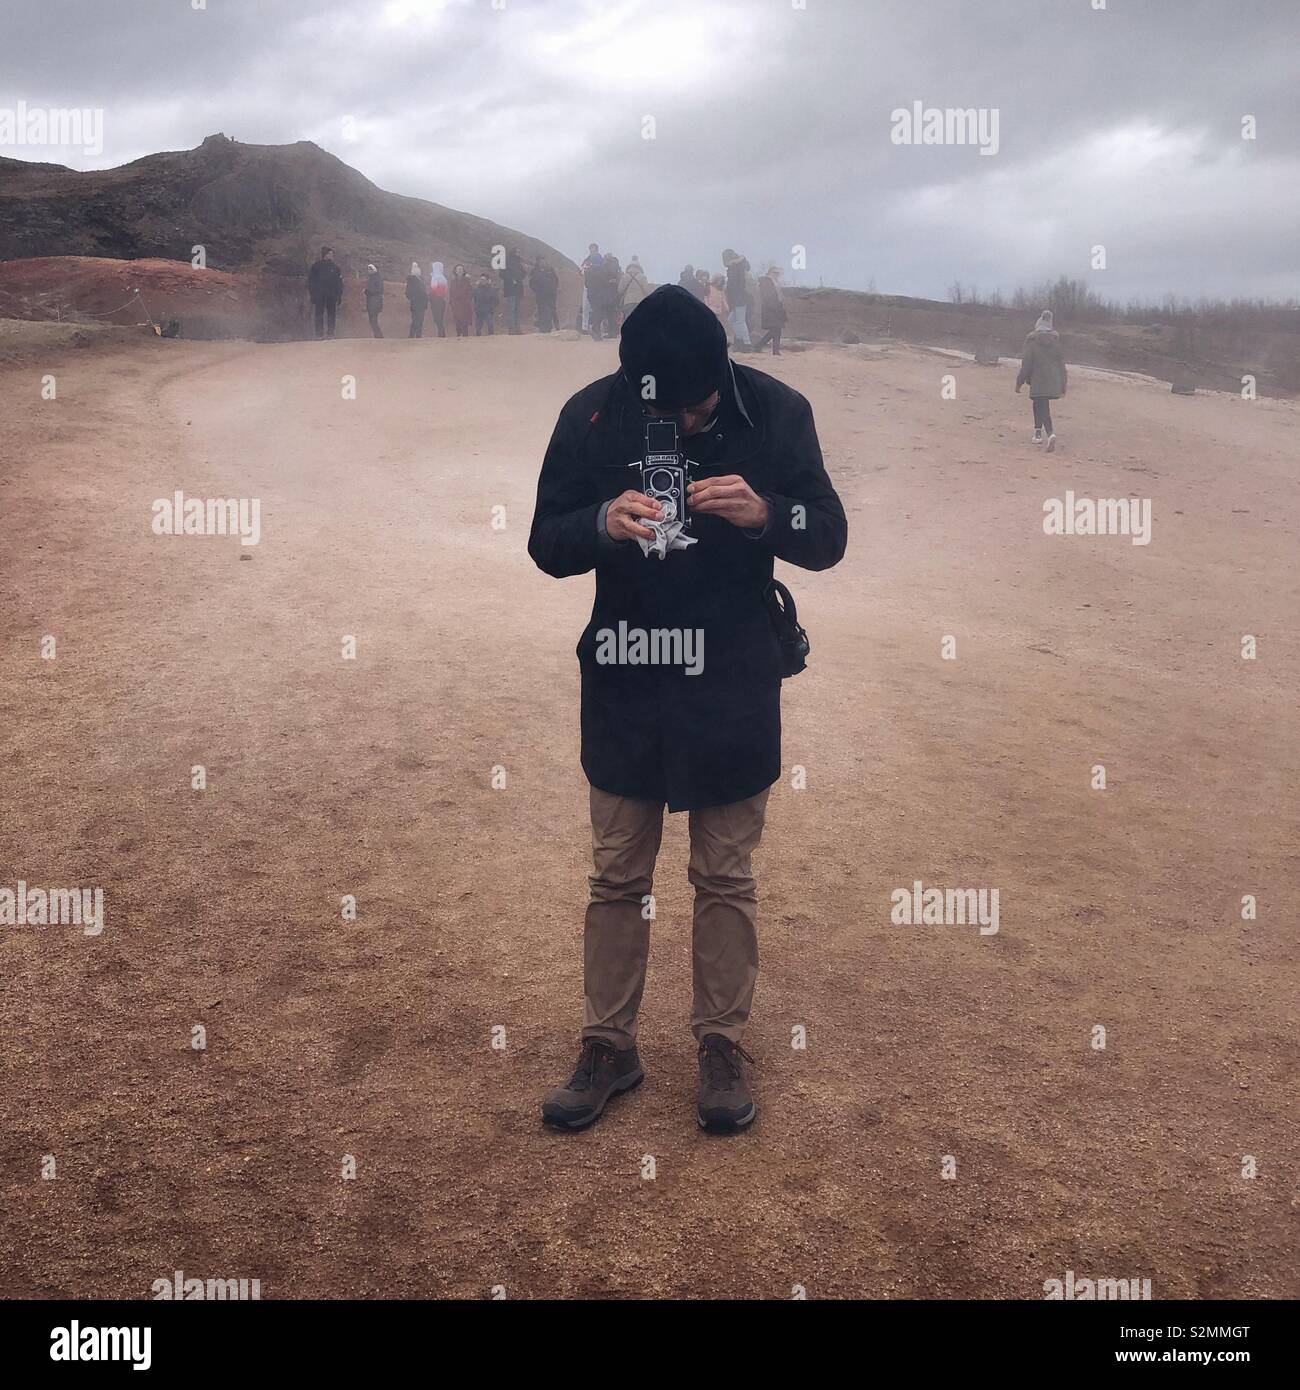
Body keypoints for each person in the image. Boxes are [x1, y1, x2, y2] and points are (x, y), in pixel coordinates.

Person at [528, 285, 848, 1133]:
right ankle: (608, 1046)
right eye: (672, 410)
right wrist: (601, 519)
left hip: (733, 683)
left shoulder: (778, 412)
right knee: (617, 876)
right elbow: (545, 541)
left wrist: (768, 514)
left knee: (726, 876)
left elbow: (830, 536)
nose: (690, 422)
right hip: (628, 679)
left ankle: (719, 1044)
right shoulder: (594, 418)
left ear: (723, 369)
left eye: (702, 406)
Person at [1015, 309, 1067, 451]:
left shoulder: (1032, 341)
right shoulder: (1056, 342)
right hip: (1053, 379)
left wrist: (1019, 382)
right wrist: (1063, 385)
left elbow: (1027, 364)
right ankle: (1038, 433)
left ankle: (1050, 433)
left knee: (1041, 405)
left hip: (1037, 379)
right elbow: (1061, 365)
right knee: (1040, 403)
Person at [307, 244, 343, 339]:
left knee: (332, 315)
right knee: (319, 315)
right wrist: (313, 294)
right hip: (320, 295)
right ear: (325, 254)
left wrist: (339, 295)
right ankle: (319, 334)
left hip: (332, 295)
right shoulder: (316, 266)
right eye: (330, 253)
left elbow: (339, 283)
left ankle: (330, 333)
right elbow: (311, 281)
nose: (332, 255)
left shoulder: (335, 267)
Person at [752, 266, 787, 355]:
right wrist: (775, 307)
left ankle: (769, 349)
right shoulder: (767, 281)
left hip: (775, 309)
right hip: (771, 309)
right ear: (770, 272)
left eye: (778, 273)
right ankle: (768, 349)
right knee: (776, 330)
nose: (777, 275)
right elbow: (768, 297)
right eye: (775, 273)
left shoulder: (773, 282)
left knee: (776, 330)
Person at [722, 248, 752, 348]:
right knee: (734, 320)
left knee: (739, 320)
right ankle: (742, 341)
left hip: (738, 298)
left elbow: (734, 285)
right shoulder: (740, 266)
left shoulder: (734, 268)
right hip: (741, 297)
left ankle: (746, 343)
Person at [530, 256, 560, 332]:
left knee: (552, 310)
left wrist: (554, 288)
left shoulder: (550, 269)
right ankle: (544, 329)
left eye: (544, 260)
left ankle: (557, 327)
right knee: (542, 311)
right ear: (538, 262)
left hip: (551, 294)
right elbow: (532, 283)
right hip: (541, 295)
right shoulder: (535, 271)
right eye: (541, 261)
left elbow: (556, 280)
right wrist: (537, 290)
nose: (543, 262)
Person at [618, 255, 651, 323]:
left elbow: (620, 290)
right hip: (640, 302)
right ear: (639, 267)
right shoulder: (642, 276)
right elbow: (646, 291)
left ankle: (629, 333)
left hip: (628, 301)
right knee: (639, 320)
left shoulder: (625, 276)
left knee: (628, 320)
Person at [579, 243, 603, 332]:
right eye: (591, 250)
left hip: (598, 287)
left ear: (597, 250)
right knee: (585, 307)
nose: (592, 252)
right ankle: (584, 328)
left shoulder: (601, 260)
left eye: (594, 250)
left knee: (596, 308)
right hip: (587, 286)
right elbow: (581, 271)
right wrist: (587, 268)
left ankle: (596, 327)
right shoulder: (587, 260)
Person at [501, 247, 525, 334]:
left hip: (518, 288)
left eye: (519, 251)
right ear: (513, 252)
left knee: (518, 309)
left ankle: (518, 328)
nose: (519, 253)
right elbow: (502, 273)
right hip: (510, 288)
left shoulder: (519, 262)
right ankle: (512, 329)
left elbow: (523, 273)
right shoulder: (507, 261)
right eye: (517, 251)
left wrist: (522, 275)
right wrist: (511, 280)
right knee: (511, 309)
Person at [448, 264, 473, 337]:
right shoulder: (453, 281)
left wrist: (468, 300)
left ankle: (465, 336)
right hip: (456, 304)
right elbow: (451, 292)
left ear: (463, 271)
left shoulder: (467, 280)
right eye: (458, 269)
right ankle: (458, 336)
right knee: (457, 321)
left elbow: (470, 291)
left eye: (461, 269)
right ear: (455, 271)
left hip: (464, 304)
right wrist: (451, 302)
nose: (459, 271)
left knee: (464, 322)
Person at [405, 261, 428, 337]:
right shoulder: (413, 281)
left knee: (419, 320)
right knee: (416, 320)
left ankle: (417, 335)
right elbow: (408, 293)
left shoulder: (419, 280)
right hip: (417, 304)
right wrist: (414, 297)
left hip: (420, 304)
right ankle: (412, 335)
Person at [427, 261, 448, 338]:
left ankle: (441, 334)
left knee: (437, 318)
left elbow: (433, 288)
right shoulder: (444, 278)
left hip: (436, 300)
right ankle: (441, 334)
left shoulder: (435, 277)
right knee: (440, 318)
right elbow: (445, 291)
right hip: (442, 300)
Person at [363, 263, 384, 338]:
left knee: (373, 320)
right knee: (372, 320)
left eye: (370, 269)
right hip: (372, 302)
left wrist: (367, 291)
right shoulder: (373, 278)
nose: (368, 271)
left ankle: (379, 335)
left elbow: (376, 290)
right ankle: (377, 335)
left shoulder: (376, 278)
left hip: (375, 302)